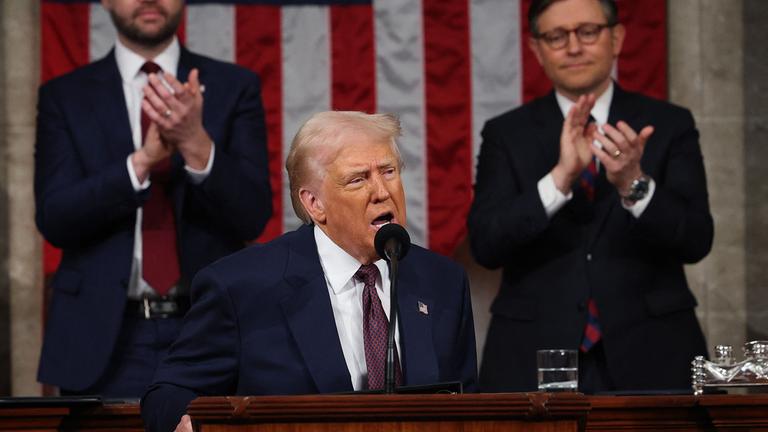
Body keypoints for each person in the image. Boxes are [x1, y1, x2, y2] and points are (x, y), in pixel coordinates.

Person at [141, 111, 478, 431]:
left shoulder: (442, 281)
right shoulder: (241, 287)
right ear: (314, 204)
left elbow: (468, 405)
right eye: (358, 179)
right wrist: (184, 421)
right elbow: (168, 393)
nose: (382, 192)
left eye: (389, 171)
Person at [469, 0, 713, 393]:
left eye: (587, 31)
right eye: (556, 36)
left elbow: (697, 239)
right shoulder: (505, 133)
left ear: (616, 37)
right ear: (537, 50)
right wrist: (559, 180)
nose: (573, 46)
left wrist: (634, 184)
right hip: (533, 355)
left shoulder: (668, 123)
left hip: (654, 353)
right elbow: (486, 245)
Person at [34, 0, 272, 398]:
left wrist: (196, 143)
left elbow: (252, 216)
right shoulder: (65, 95)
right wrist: (141, 163)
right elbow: (54, 218)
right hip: (104, 338)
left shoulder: (234, 86)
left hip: (208, 331)